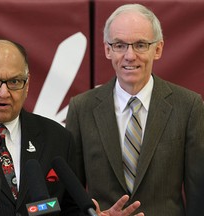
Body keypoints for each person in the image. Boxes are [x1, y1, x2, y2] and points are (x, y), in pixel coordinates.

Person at [0, 39, 144, 216]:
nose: (3, 93)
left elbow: (68, 209)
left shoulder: (57, 138)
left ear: (27, 86)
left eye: (14, 82)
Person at [65, 3, 204, 216]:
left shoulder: (188, 106)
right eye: (120, 45)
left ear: (157, 49)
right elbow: (71, 196)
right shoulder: (81, 108)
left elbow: (198, 194)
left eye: (140, 45)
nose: (130, 56)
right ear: (107, 50)